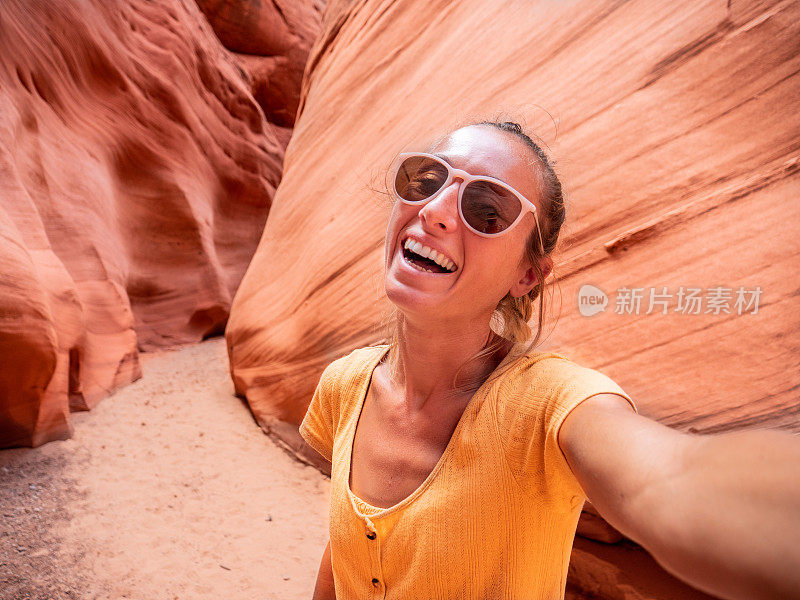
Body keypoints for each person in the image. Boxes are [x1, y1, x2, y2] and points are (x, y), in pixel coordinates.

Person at [299, 121, 800, 600]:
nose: (435, 210)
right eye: (426, 179)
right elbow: (343, 557)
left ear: (527, 276)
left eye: (488, 211)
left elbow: (671, 480)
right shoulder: (345, 385)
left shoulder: (551, 404)